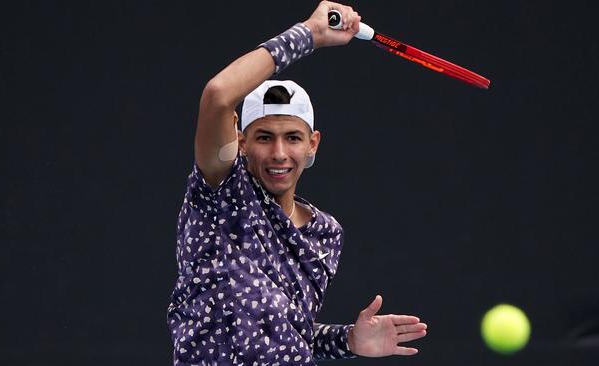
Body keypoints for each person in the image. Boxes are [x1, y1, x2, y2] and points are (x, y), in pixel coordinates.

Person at [167, 2, 427, 364]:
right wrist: (309, 35)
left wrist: (347, 340)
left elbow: (292, 331)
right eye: (263, 138)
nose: (278, 153)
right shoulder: (222, 189)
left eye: (292, 137)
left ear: (312, 144)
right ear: (241, 142)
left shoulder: (326, 233)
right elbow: (218, 95)